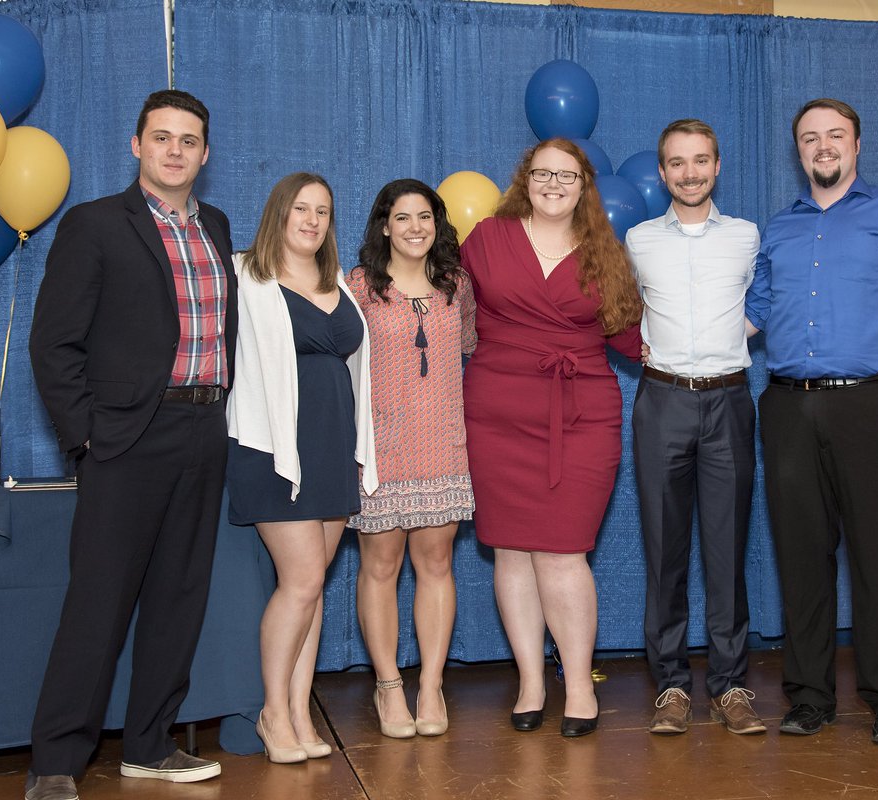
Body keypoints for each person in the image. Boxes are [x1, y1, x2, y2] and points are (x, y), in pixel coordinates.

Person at [26, 89, 235, 800]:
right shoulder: (93, 225)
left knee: (179, 598)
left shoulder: (216, 227)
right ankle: (56, 762)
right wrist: (85, 434)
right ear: (137, 145)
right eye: (162, 137)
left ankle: (149, 746)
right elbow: (54, 343)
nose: (175, 150)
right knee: (99, 602)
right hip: (125, 438)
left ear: (205, 155)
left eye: (188, 140)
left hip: (204, 430)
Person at [750, 98, 878, 746]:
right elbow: (749, 317)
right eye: (810, 137)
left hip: (872, 406)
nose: (823, 145)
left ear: (857, 144)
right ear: (798, 151)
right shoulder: (777, 229)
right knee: (800, 558)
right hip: (787, 406)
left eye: (835, 134)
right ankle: (809, 697)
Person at [461, 139, 642, 738]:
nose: (554, 184)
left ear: (585, 184)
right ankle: (531, 683)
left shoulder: (603, 250)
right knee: (511, 550)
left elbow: (631, 336)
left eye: (567, 175)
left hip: (581, 415)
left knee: (564, 553)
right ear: (525, 179)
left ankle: (579, 685)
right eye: (543, 173)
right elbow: (444, 306)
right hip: (497, 415)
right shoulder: (486, 239)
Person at [224, 172, 375, 763]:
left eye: (323, 211)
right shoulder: (246, 276)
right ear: (279, 213)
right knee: (303, 581)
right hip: (273, 450)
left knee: (312, 589)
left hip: (333, 449)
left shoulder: (337, 282)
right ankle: (272, 712)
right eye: (301, 209)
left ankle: (298, 710)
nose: (312, 220)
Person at [626, 119, 767, 737]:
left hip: (729, 401)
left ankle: (731, 685)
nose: (690, 173)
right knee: (665, 552)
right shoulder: (636, 240)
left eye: (701, 161)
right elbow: (617, 310)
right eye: (678, 163)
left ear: (718, 166)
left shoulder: (746, 236)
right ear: (663, 173)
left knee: (727, 551)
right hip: (661, 402)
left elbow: (766, 301)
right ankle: (671, 687)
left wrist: (729, 338)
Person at [346, 179, 476, 739]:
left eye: (425, 217)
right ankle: (388, 685)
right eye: (402, 217)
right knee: (380, 567)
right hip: (380, 451)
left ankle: (431, 685)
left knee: (437, 565)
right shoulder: (359, 285)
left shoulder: (455, 284)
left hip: (442, 446)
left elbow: (468, 345)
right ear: (384, 226)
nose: (415, 227)